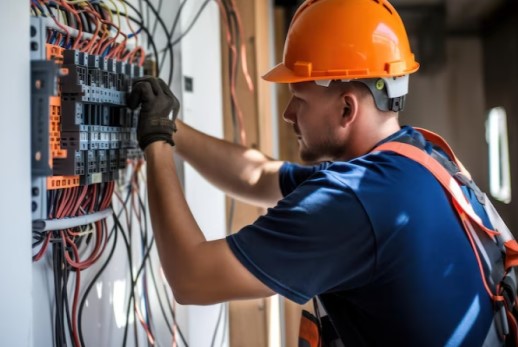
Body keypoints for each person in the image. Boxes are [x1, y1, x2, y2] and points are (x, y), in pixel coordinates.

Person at [127, 0, 500, 345]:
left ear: (346, 110)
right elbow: (257, 176)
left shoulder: (354, 203)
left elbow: (191, 278)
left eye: (299, 98)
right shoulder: (416, 156)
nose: (289, 113)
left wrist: (155, 142)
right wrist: (169, 126)